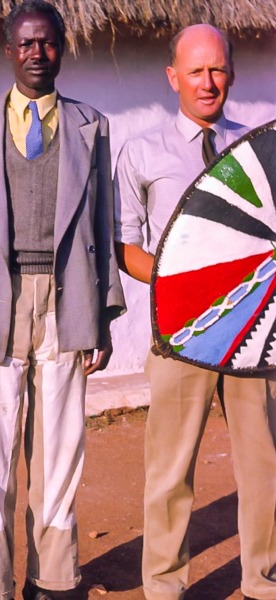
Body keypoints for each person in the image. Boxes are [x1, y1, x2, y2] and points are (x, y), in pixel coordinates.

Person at [0, 2, 125, 598]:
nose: (37, 53)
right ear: (9, 51)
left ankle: (55, 576)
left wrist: (104, 316)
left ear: (63, 47)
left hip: (66, 301)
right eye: (26, 44)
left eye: (47, 43)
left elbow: (102, 220)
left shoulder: (90, 125)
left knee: (62, 444)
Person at [114, 24, 276, 600]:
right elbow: (125, 245)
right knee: (169, 470)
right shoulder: (143, 151)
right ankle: (163, 586)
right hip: (181, 333)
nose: (207, 83)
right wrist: (184, 283)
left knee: (265, 468)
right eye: (195, 71)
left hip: (252, 335)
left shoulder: (260, 150)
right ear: (172, 77)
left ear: (230, 74)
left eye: (218, 70)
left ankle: (263, 582)